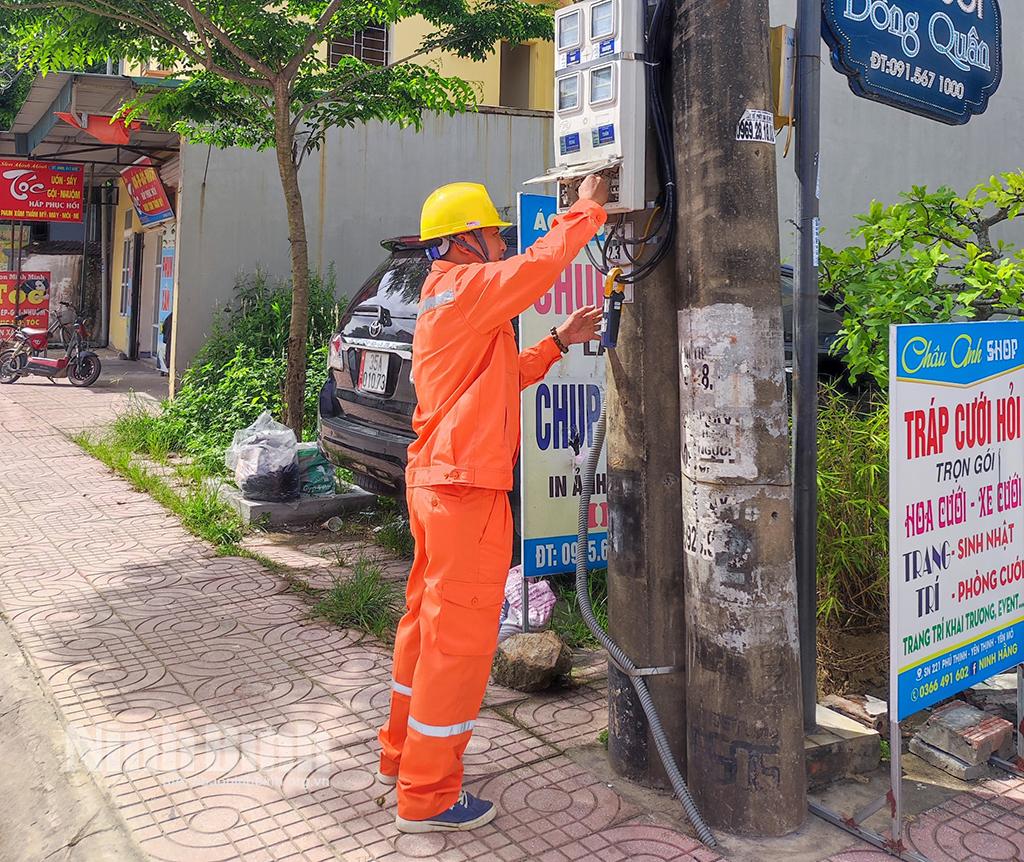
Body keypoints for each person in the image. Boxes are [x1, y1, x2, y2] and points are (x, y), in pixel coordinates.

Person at [378, 175, 610, 833]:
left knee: (424, 629)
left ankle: (399, 758)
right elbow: (537, 267)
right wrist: (587, 209)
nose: (501, 242)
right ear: (467, 240)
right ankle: (428, 796)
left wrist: (559, 342)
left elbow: (498, 378)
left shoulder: (443, 300)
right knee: (461, 643)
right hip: (465, 491)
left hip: (437, 483)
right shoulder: (466, 288)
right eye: (494, 234)